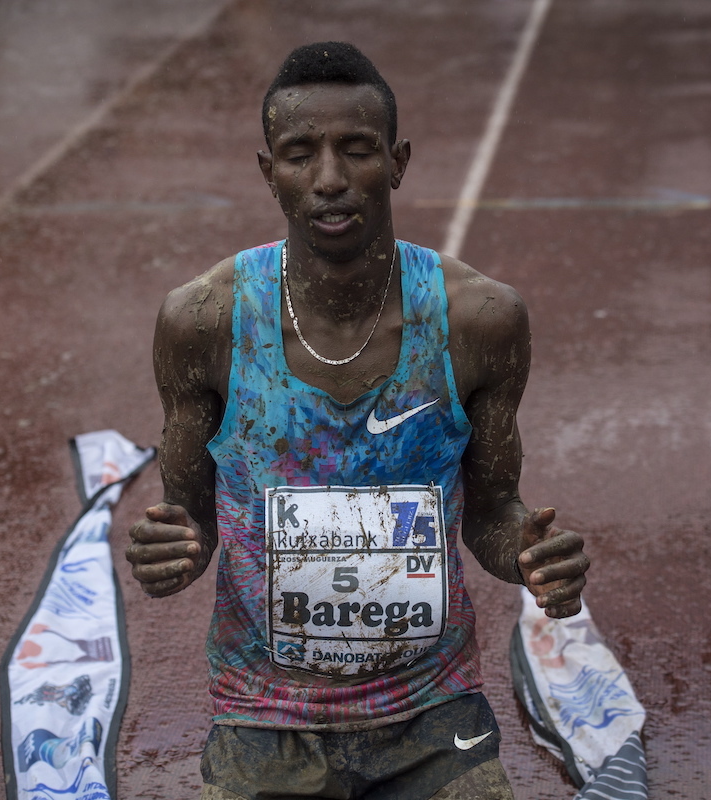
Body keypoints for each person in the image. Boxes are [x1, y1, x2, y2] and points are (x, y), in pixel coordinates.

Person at [126, 41, 590, 800]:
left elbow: (495, 515)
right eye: (300, 154)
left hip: (431, 711)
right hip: (263, 717)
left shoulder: (479, 318)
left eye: (358, 150)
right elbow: (190, 522)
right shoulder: (204, 321)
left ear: (398, 161)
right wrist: (169, 551)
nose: (331, 180)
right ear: (267, 170)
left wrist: (533, 558)